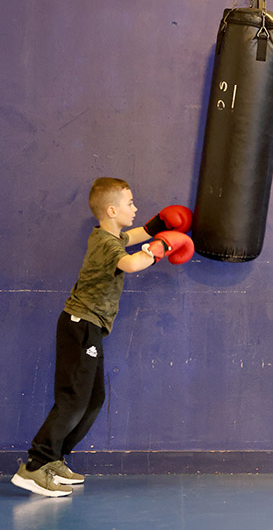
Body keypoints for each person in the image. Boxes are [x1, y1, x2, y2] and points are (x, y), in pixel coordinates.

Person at [11, 177, 194, 497]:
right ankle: (34, 466)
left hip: (87, 326)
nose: (135, 208)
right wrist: (163, 245)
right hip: (80, 325)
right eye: (131, 203)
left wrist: (158, 225)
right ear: (112, 209)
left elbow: (133, 237)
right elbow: (132, 262)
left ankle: (53, 459)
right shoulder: (108, 245)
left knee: (93, 400)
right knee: (74, 399)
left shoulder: (107, 235)